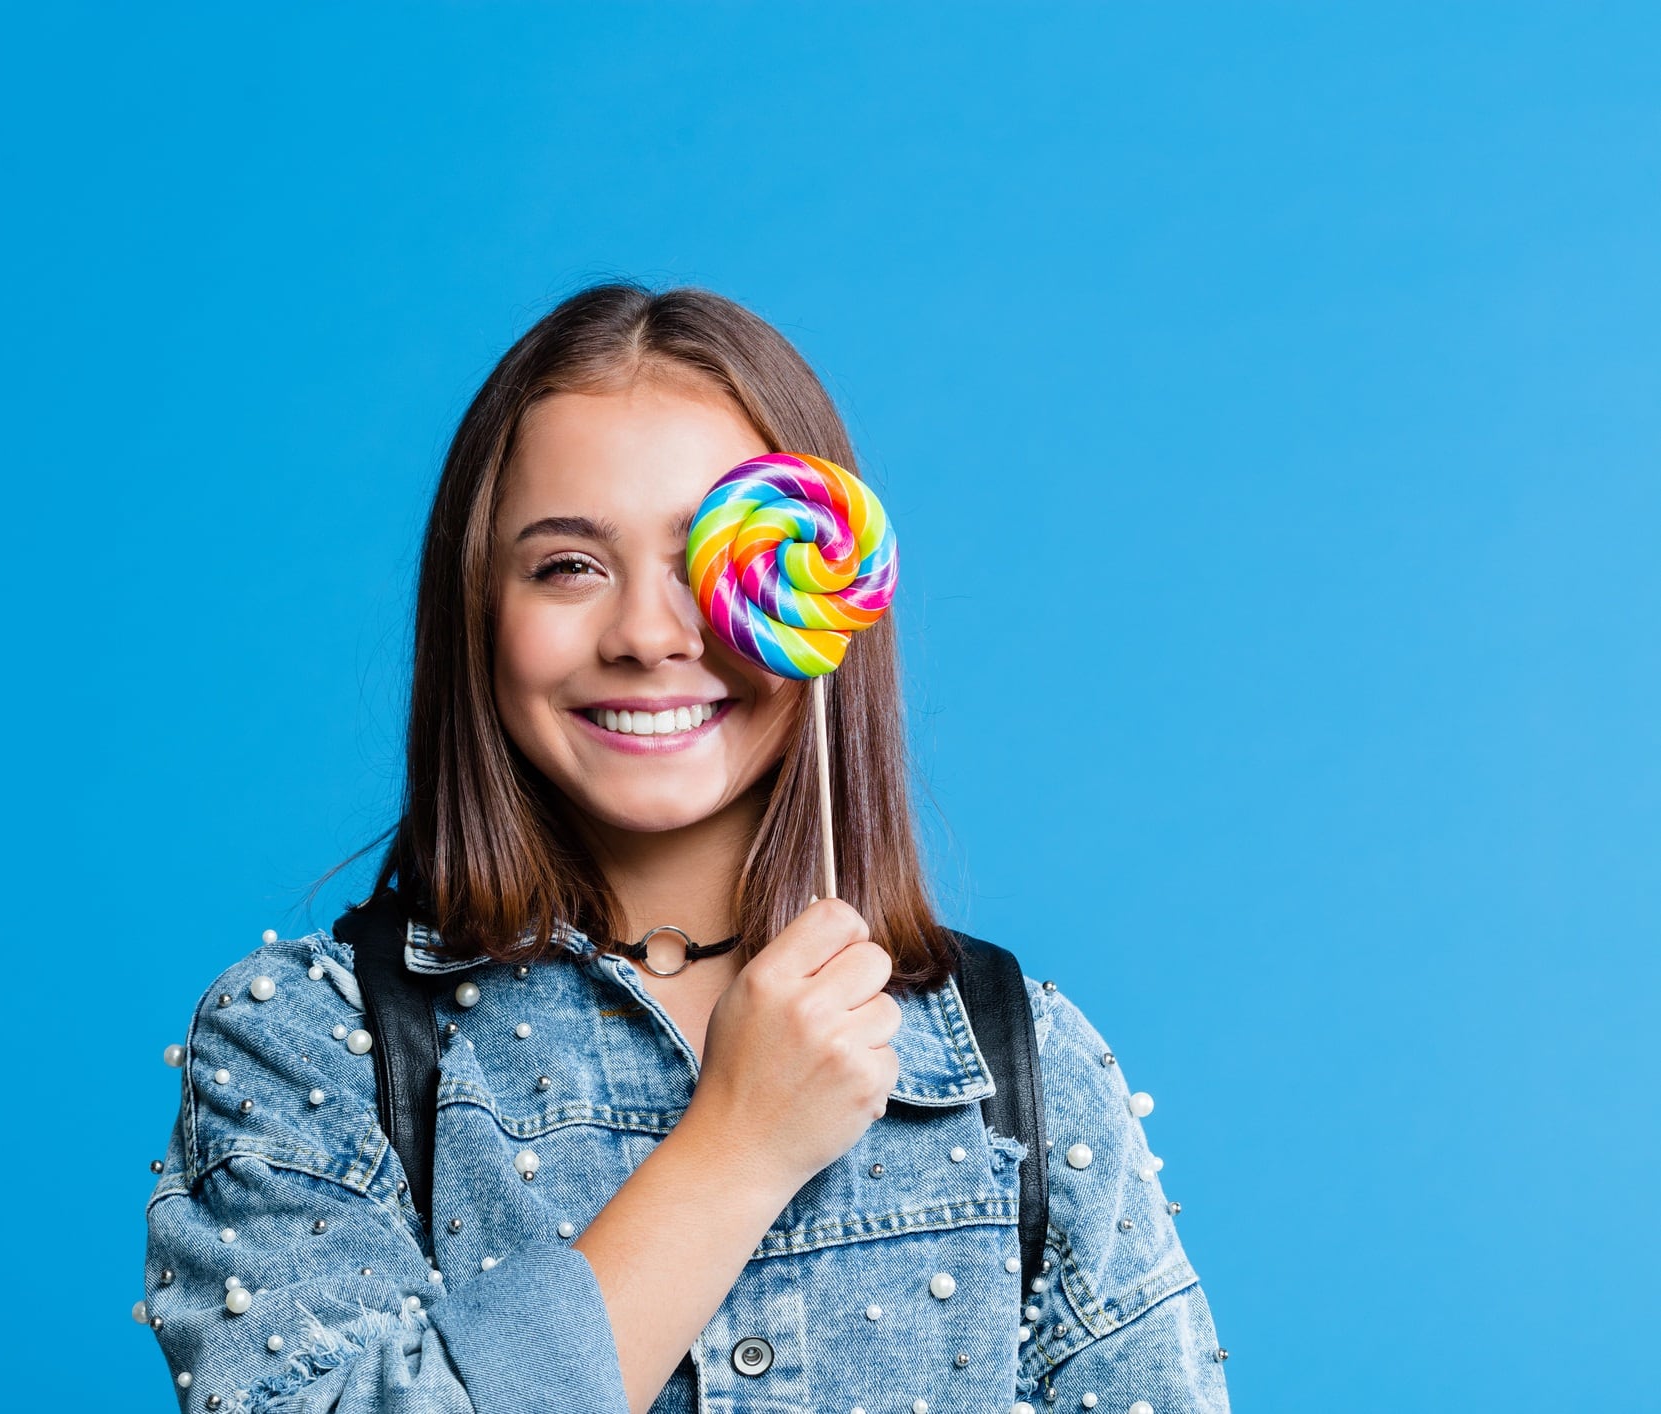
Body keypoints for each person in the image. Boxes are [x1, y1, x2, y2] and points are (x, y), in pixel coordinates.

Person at [138, 282, 1231, 1414]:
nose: (650, 635)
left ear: (821, 589)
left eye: (710, 558)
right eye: (569, 565)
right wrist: (737, 1149)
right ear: (478, 612)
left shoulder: (1020, 1063)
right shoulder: (310, 1044)